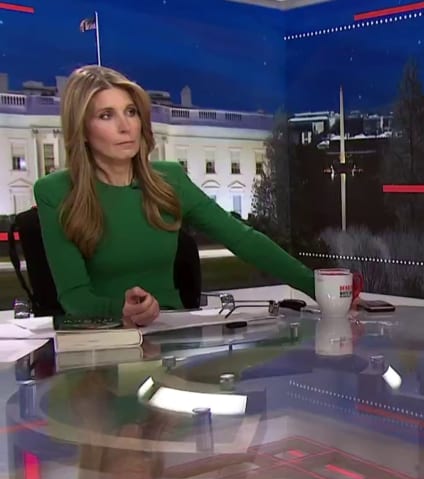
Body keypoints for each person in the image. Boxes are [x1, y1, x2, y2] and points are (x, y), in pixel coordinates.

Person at [34, 65, 317, 326]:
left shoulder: (170, 180)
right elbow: (74, 297)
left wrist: (318, 287)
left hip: (170, 331)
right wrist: (121, 310)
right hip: (99, 340)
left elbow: (243, 239)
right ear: (82, 129)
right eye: (106, 115)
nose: (125, 127)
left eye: (131, 112)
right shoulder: (54, 192)